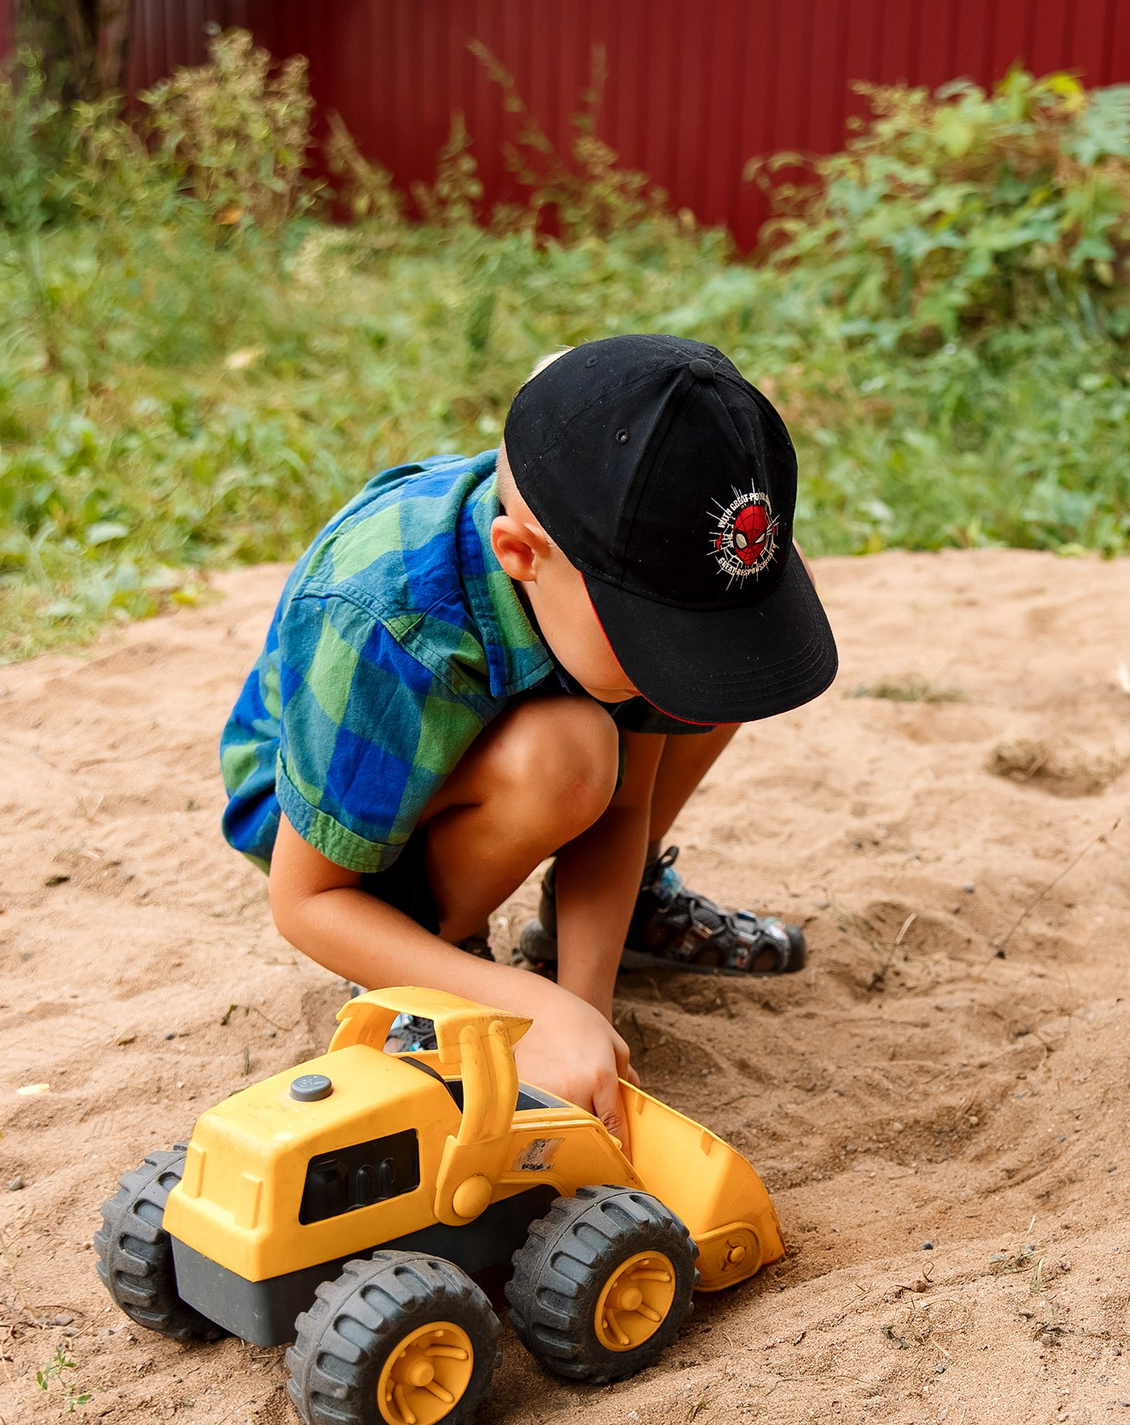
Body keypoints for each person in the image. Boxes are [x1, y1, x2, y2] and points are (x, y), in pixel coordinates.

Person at [219, 335, 837, 1131]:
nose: (676, 672)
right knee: (569, 754)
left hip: (535, 736)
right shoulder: (385, 613)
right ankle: (436, 963)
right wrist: (520, 1006)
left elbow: (622, 809)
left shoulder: (622, 565)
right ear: (520, 554)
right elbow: (307, 900)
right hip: (336, 821)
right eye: (652, 635)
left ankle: (627, 916)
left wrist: (583, 1013)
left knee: (727, 656)